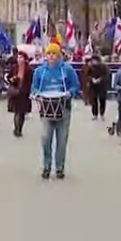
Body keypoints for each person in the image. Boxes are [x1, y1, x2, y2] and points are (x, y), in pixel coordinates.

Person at [30, 42, 81, 180]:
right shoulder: (40, 71)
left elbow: (75, 86)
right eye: (49, 54)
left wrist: (70, 93)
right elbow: (34, 88)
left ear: (59, 56)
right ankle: (46, 166)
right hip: (46, 109)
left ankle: (59, 168)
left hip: (63, 108)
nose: (51, 56)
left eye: (54, 54)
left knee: (62, 141)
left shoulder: (67, 70)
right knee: (45, 138)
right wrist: (36, 94)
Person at [6, 51, 33, 138]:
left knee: (22, 112)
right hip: (15, 92)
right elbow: (8, 77)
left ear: (25, 59)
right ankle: (16, 128)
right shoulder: (14, 68)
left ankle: (19, 128)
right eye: (18, 58)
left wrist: (31, 91)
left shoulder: (29, 69)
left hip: (24, 93)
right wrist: (12, 79)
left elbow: (31, 81)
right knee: (16, 112)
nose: (19, 59)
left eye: (21, 58)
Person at [86, 55, 110, 121]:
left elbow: (107, 75)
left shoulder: (104, 67)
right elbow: (87, 75)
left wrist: (100, 79)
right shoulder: (90, 67)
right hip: (93, 86)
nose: (94, 62)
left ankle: (102, 114)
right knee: (94, 101)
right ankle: (95, 114)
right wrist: (91, 79)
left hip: (102, 86)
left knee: (102, 100)